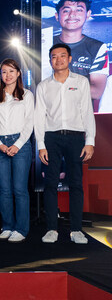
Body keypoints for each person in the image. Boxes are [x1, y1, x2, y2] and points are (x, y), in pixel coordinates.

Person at [35, 43, 95, 244]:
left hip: (76, 137)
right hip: (51, 138)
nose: (58, 59)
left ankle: (76, 230)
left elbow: (87, 112)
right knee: (50, 184)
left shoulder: (81, 82)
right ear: (50, 60)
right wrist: (41, 145)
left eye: (62, 56)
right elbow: (39, 117)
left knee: (76, 183)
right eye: (54, 56)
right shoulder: (43, 86)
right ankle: (51, 229)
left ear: (69, 59)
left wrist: (90, 141)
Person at [0, 59, 34, 243]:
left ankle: (21, 229)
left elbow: (29, 122)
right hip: (0, 146)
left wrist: (18, 144)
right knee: (4, 190)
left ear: (18, 73)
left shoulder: (27, 95)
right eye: (4, 72)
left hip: (20, 145)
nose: (7, 75)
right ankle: (7, 226)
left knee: (19, 189)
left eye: (11, 71)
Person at [53, 0, 108, 100]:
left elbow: (96, 92)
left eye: (79, 10)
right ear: (57, 16)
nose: (72, 15)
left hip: (80, 110)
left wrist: (65, 86)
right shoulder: (45, 43)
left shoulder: (98, 47)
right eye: (66, 11)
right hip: (47, 110)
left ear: (88, 14)